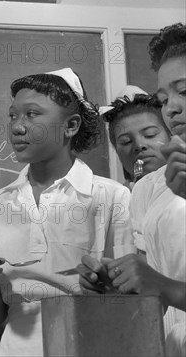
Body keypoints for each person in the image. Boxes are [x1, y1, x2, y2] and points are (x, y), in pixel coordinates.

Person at [0, 67, 135, 357]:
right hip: (16, 347)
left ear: (70, 126)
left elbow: (133, 296)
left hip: (90, 343)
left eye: (32, 114)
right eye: (12, 115)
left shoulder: (110, 196)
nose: (18, 126)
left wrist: (105, 288)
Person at [79, 23, 186, 356]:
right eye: (164, 98)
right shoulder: (150, 188)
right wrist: (122, 286)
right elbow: (154, 290)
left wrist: (168, 288)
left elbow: (166, 287)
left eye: (185, 91)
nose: (172, 107)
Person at [100, 85, 171, 189]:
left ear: (171, 135)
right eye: (126, 141)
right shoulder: (116, 200)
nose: (139, 145)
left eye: (149, 135)